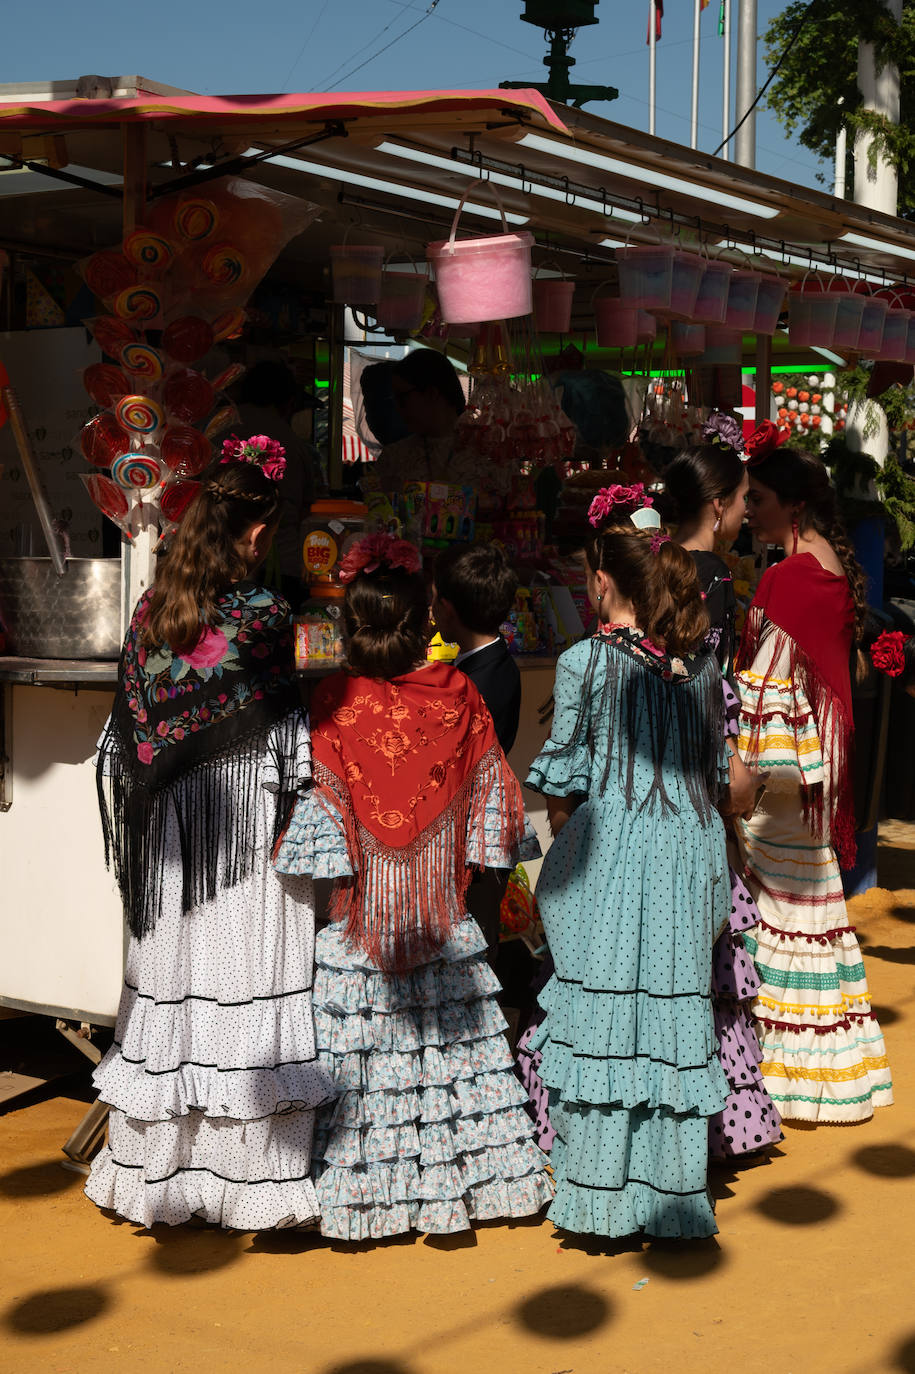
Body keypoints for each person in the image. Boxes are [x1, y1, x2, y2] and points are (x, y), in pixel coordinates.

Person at [273, 533, 553, 1240]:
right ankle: (462, 1188)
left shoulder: (335, 699)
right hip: (441, 914)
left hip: (362, 916)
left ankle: (365, 1197)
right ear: (423, 619)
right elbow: (494, 801)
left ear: (353, 625)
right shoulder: (458, 693)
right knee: (450, 1059)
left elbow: (323, 827)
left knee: (364, 1056)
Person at [86, 442, 333, 1230]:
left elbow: (133, 731)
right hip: (243, 831)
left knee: (176, 974)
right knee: (242, 971)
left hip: (169, 831)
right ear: (253, 534)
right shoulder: (263, 617)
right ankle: (242, 1183)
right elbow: (288, 731)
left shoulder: (150, 611)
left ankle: (156, 1177)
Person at [525, 487, 731, 1239]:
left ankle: (599, 1200)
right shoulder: (701, 666)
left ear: (601, 581)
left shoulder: (583, 661)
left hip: (614, 855)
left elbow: (559, 784)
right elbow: (717, 775)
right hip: (688, 852)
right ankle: (672, 1200)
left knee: (609, 1017)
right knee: (671, 1016)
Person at [736, 428, 893, 1123]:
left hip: (781, 762)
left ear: (791, 506)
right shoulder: (827, 565)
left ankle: (780, 1072)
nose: (750, 509)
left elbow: (763, 685)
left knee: (773, 908)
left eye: (759, 498)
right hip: (815, 761)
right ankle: (820, 1075)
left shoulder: (785, 576)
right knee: (809, 911)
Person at [663, 434, 783, 1160]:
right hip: (697, 771)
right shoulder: (711, 577)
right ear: (716, 506)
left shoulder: (652, 567)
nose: (743, 513)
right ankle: (715, 1121)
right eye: (740, 500)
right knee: (707, 945)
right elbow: (710, 690)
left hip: (649, 773)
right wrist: (731, 772)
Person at [432, 541, 522, 969]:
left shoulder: (470, 681)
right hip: (481, 833)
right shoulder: (495, 664)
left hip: (471, 840)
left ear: (447, 608)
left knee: (468, 950)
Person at [235, 360, 325, 597]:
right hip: (283, 565)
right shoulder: (294, 444)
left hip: (225, 562)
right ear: (288, 403)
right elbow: (307, 511)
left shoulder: (222, 426)